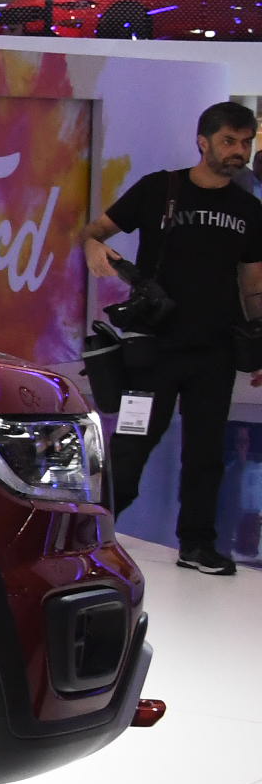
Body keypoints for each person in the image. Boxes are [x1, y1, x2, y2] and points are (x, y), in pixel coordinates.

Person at [82, 99, 262, 575]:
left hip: (215, 348)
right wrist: (93, 247)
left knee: (206, 453)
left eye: (245, 142)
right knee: (131, 446)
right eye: (228, 141)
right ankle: (89, 537)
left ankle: (196, 544)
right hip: (154, 346)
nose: (238, 151)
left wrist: (259, 340)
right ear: (203, 142)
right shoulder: (159, 188)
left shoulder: (248, 209)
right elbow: (95, 230)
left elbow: (253, 282)